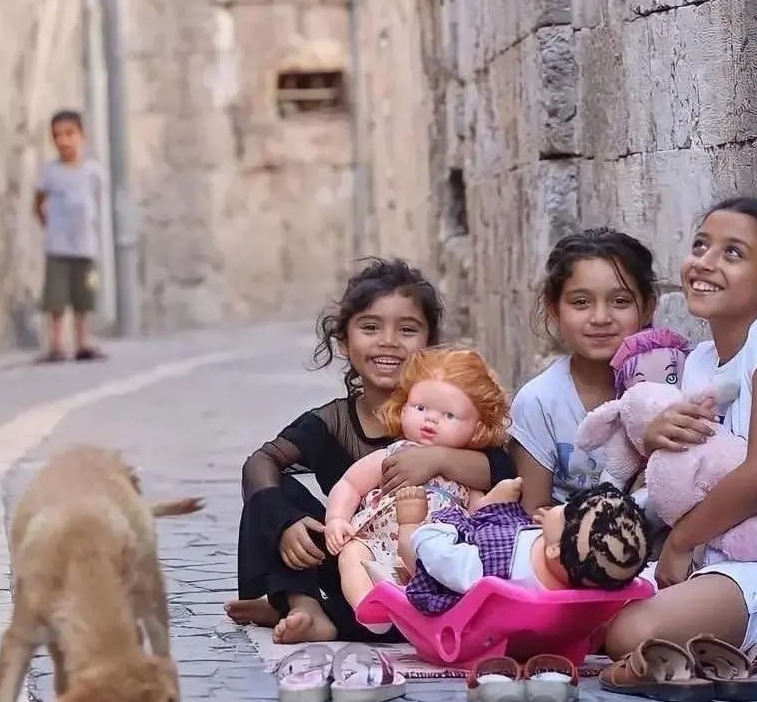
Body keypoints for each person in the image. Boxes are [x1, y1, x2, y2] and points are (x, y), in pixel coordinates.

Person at [223, 259, 514, 644]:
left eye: (407, 329)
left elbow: (502, 471)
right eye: (370, 327)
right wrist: (284, 525)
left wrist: (440, 459)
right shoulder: (331, 422)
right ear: (344, 341)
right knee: (272, 493)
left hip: (431, 567)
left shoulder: (450, 417)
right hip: (355, 560)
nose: (388, 341)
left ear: (429, 345)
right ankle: (303, 603)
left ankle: (310, 612)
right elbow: (261, 462)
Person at [604, 198, 757, 657]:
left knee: (627, 633)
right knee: (574, 596)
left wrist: (681, 540)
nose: (704, 263)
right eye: (701, 245)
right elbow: (687, 479)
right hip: (709, 557)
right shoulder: (699, 363)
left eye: (732, 253)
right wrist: (655, 442)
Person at [322, 347, 511, 612]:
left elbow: (482, 515)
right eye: (420, 407)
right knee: (353, 554)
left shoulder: (466, 473)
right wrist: (337, 519)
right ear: (403, 406)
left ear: (477, 428)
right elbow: (350, 484)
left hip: (433, 557)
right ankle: (368, 606)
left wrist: (503, 495)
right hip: (377, 546)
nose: (430, 418)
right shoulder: (393, 455)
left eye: (449, 415)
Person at [509, 229, 658, 515]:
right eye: (580, 302)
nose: (601, 318)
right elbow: (534, 512)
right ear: (554, 309)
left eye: (620, 301)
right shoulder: (539, 401)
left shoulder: (667, 384)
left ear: (648, 307)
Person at [402, 479, 650, 615]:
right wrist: (551, 530)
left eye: (564, 511)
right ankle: (491, 508)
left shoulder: (494, 574)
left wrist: (432, 533)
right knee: (518, 524)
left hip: (468, 558)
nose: (558, 507)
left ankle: (408, 524)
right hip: (513, 538)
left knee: (416, 553)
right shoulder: (579, 567)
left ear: (555, 549)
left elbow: (446, 561)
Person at [34, 109, 105, 362]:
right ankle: (56, 344)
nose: (64, 141)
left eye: (69, 134)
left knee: (84, 297)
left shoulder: (93, 171)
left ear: (82, 135)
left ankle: (83, 342)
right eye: (57, 136)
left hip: (85, 245)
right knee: (56, 297)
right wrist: (47, 223)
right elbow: (39, 201)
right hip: (58, 245)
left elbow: (95, 201)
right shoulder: (50, 172)